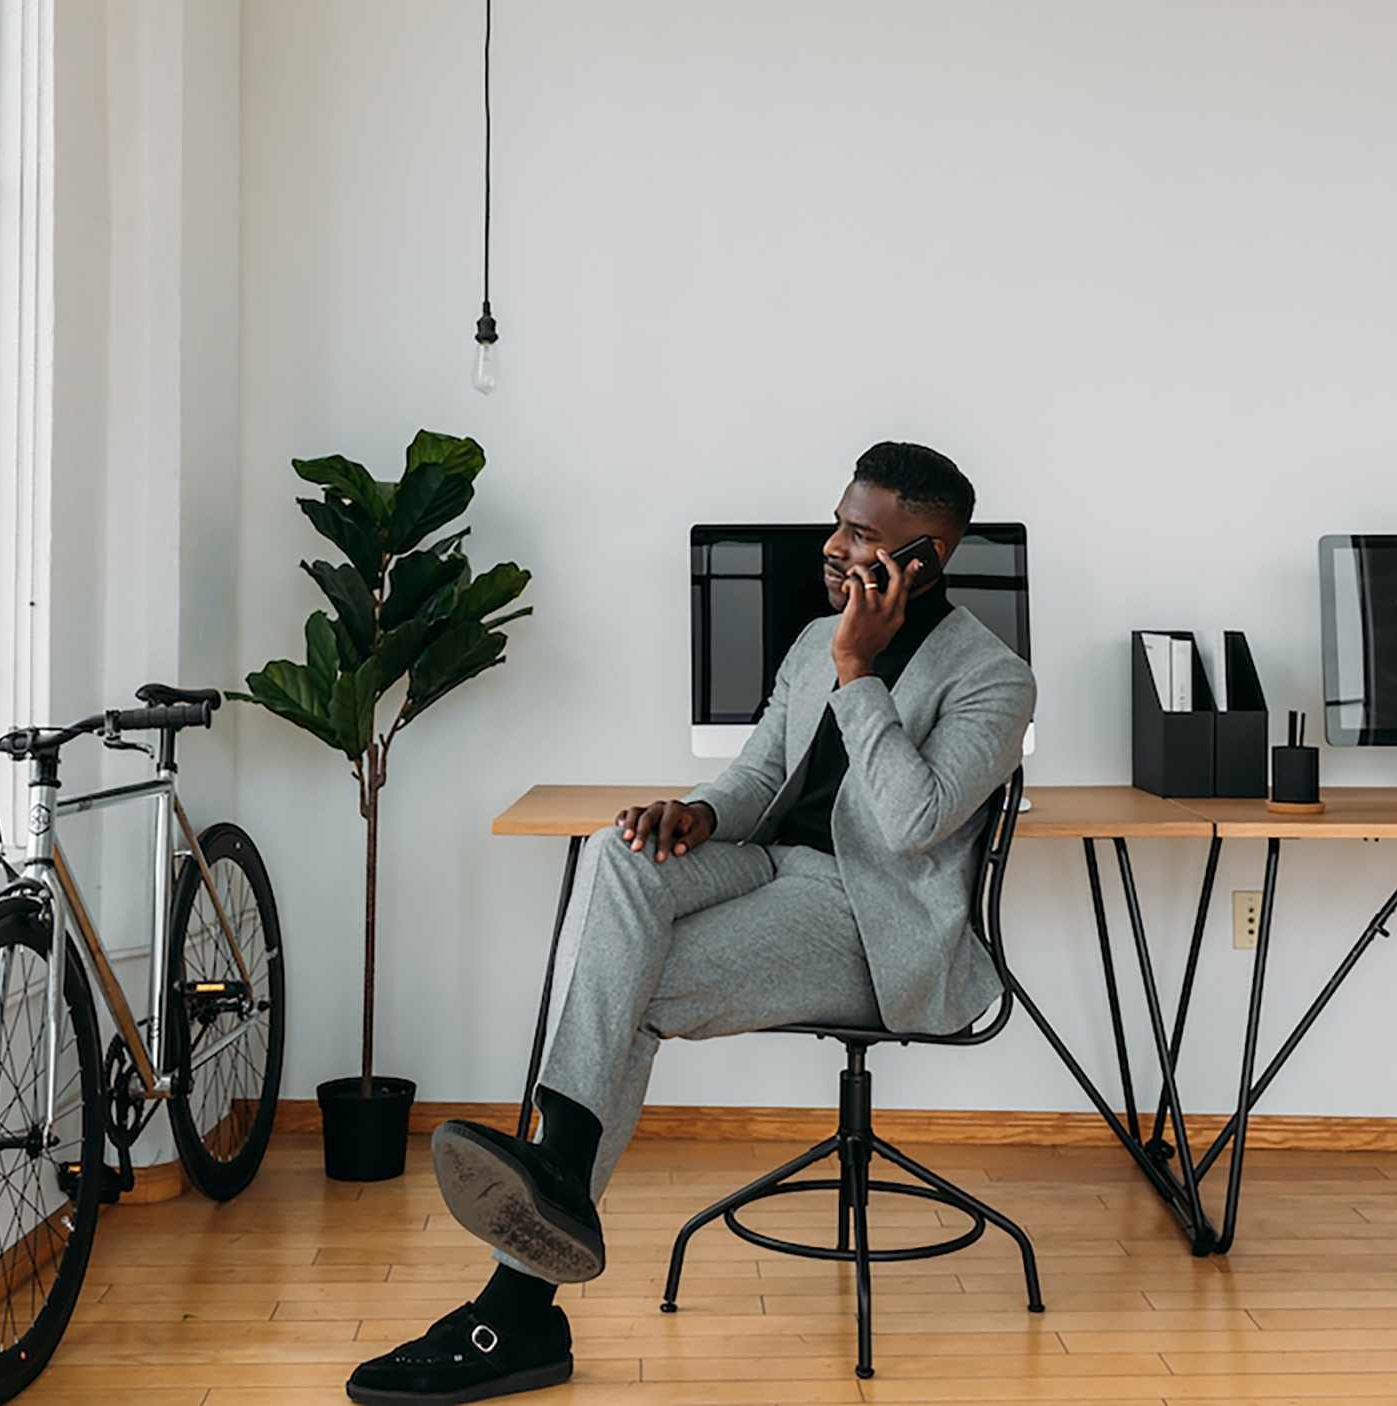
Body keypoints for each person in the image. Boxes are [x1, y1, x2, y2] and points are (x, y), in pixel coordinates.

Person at [345, 442, 1036, 1405]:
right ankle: (554, 1177)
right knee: (615, 854)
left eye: (861, 536)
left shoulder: (993, 680)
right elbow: (758, 778)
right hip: (767, 865)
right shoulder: (811, 639)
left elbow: (912, 824)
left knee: (627, 988)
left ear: (919, 562)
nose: (834, 545)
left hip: (868, 920)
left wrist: (858, 667)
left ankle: (520, 1302)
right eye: (839, 520)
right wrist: (698, 814)